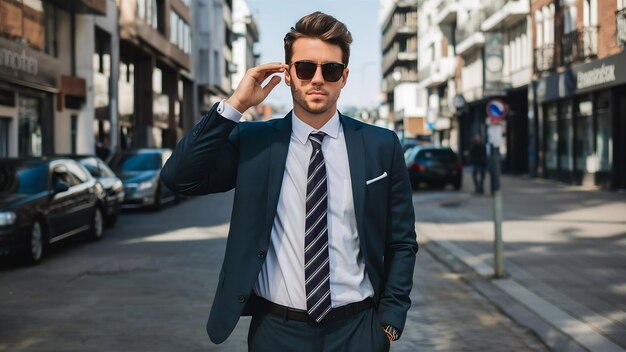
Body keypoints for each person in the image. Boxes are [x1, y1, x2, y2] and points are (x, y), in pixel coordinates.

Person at [161, 12, 418, 351]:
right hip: (277, 332)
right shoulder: (255, 142)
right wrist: (236, 105)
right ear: (288, 75)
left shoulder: (381, 145)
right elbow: (178, 179)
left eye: (330, 70)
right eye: (305, 68)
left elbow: (401, 241)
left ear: (344, 78)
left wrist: (390, 319)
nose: (317, 79)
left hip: (358, 330)